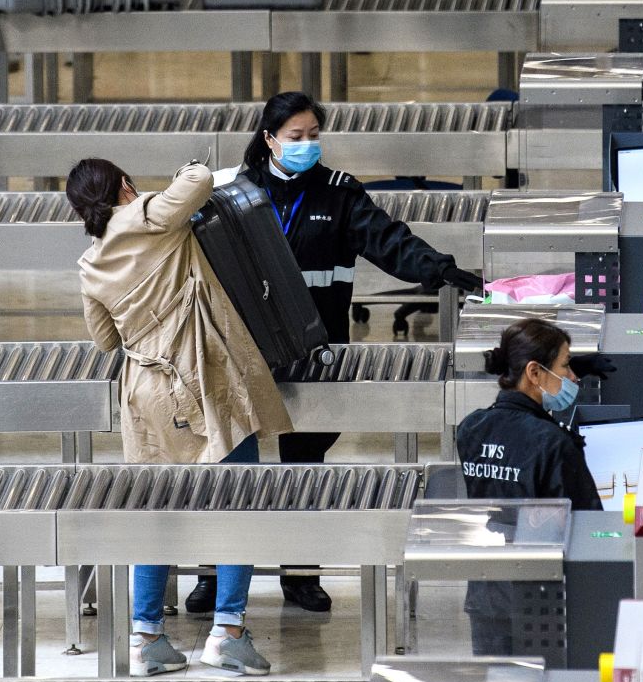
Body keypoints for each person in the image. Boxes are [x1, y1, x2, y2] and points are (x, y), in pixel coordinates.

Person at [187, 91, 484, 615]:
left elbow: (389, 241)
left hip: (311, 351)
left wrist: (439, 269)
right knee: (228, 466)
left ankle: (301, 573)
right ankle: (215, 573)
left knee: (305, 466)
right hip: (243, 352)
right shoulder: (232, 190)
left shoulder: (339, 194)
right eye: (295, 137)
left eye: (313, 135)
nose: (307, 145)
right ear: (269, 139)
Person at [71, 158, 293, 676]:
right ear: (125, 185)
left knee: (157, 513)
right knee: (237, 505)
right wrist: (185, 168)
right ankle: (228, 633)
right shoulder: (149, 215)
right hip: (201, 377)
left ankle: (147, 639)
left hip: (145, 393)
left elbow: (104, 339)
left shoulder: (91, 262)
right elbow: (196, 182)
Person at [454, 317, 613, 654]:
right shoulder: (551, 443)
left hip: (486, 594)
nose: (571, 377)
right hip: (544, 601)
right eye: (565, 365)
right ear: (535, 373)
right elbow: (591, 524)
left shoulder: (470, 429)